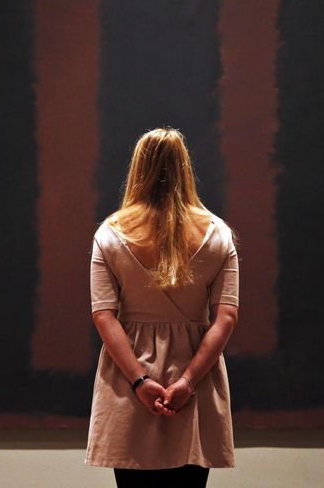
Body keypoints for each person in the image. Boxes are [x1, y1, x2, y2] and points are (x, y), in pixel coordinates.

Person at [84, 127, 240, 488]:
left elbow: (103, 315)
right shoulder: (218, 234)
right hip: (196, 376)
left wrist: (140, 380)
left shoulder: (110, 233)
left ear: (138, 168)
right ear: (185, 168)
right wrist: (186, 381)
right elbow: (226, 317)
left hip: (127, 375)